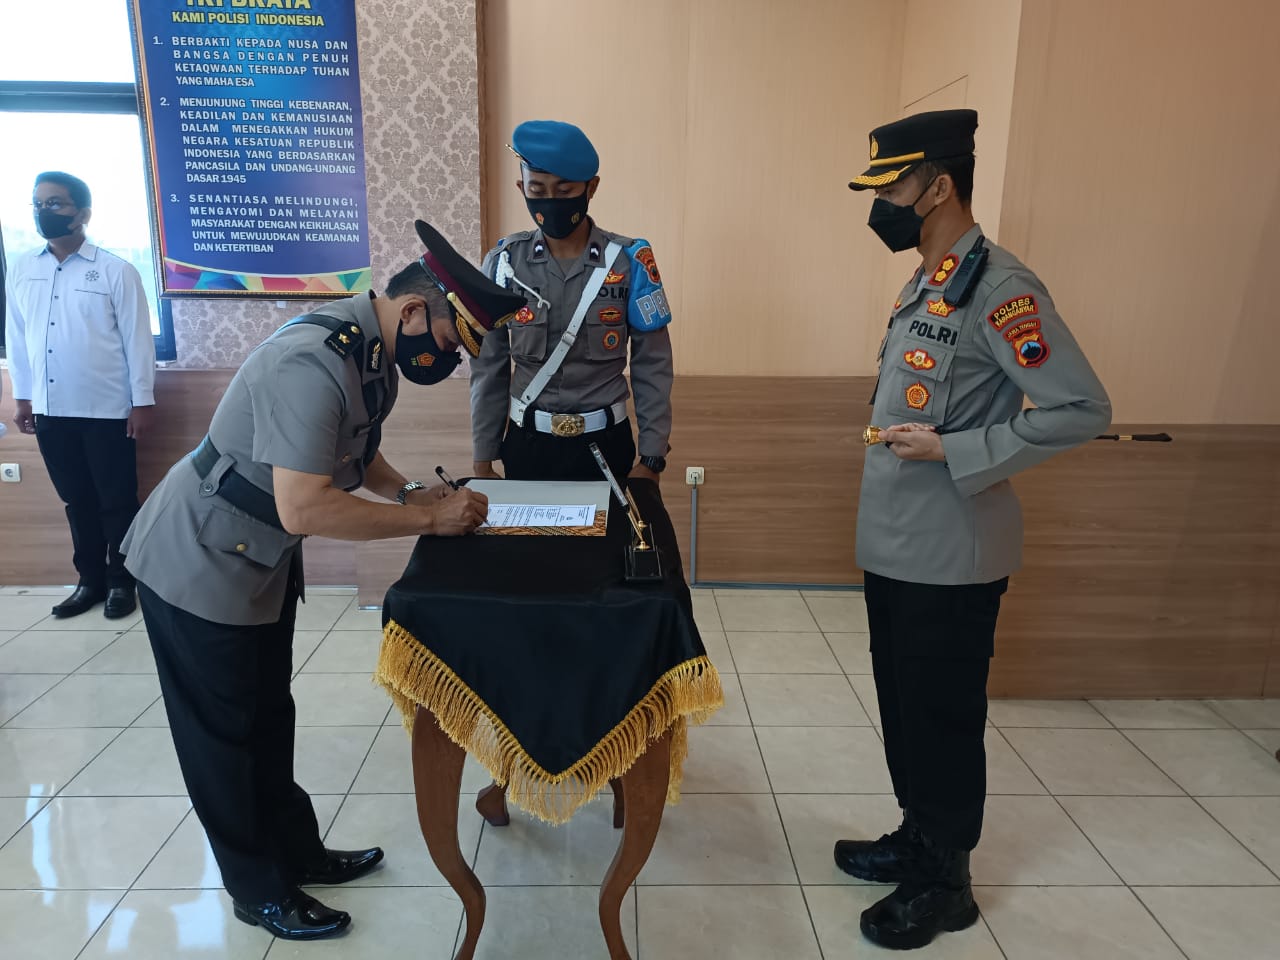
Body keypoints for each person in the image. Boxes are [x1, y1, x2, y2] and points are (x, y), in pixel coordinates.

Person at [120, 219, 522, 942]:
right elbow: (304, 506)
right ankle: (258, 890)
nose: (449, 360)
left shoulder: (370, 353)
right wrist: (429, 522)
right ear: (412, 310)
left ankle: (298, 852)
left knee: (269, 716)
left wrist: (411, 493)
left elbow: (356, 456)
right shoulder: (312, 361)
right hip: (198, 558)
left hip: (254, 559)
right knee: (222, 736)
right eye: (449, 341)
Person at [833, 110, 1111, 950]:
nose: (881, 204)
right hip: (898, 540)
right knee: (903, 705)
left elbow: (1081, 407)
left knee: (943, 716)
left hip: (953, 550)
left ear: (940, 186)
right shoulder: (928, 282)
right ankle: (918, 835)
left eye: (891, 187)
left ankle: (946, 882)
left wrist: (958, 448)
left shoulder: (1000, 289)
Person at [469, 119, 674, 485]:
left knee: (613, 527)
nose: (550, 201)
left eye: (564, 190)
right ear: (521, 187)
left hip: (606, 444)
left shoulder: (629, 262)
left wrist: (652, 456)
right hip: (528, 443)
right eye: (537, 189)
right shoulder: (503, 265)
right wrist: (484, 455)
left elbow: (653, 364)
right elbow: (488, 366)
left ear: (591, 188)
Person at [5, 172, 155, 619]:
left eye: (55, 204)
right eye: (38, 204)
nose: (43, 212)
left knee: (117, 502)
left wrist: (142, 402)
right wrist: (23, 396)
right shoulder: (22, 268)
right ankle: (89, 580)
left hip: (107, 409)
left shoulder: (114, 270)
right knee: (77, 501)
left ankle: (122, 582)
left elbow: (137, 341)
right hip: (50, 409)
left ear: (83, 213)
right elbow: (17, 337)